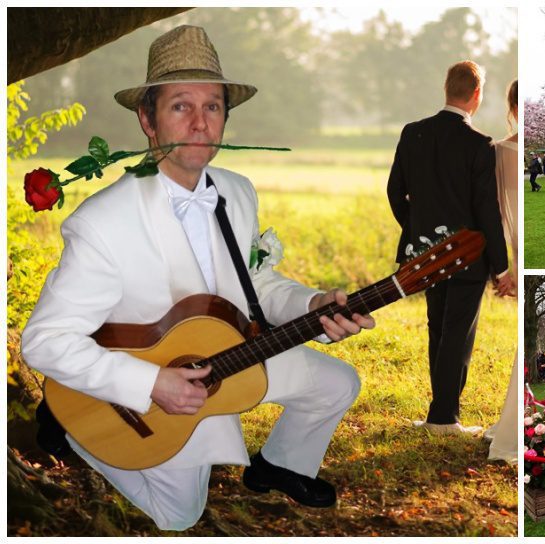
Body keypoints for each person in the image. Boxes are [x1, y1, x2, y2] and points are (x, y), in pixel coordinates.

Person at [20, 26, 374, 530]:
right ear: (147, 118)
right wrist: (151, 383)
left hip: (231, 356)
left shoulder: (237, 191)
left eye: (213, 107)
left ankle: (277, 466)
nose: (200, 123)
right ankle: (74, 426)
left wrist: (313, 302)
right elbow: (44, 343)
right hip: (149, 386)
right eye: (180, 106)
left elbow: (257, 287)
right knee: (179, 515)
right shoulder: (104, 221)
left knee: (337, 382)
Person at [387, 60, 511, 435]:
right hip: (468, 255)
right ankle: (444, 417)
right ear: (476, 95)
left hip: (423, 254)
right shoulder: (479, 144)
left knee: (438, 328)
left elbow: (395, 192)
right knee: (457, 333)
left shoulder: (412, 133)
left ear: (447, 89)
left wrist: (418, 233)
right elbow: (486, 210)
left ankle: (439, 413)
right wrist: (501, 267)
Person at [487, 80, 519, 464]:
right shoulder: (500, 151)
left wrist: (506, 268)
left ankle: (512, 423)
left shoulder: (498, 151)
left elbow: (495, 217)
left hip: (517, 253)